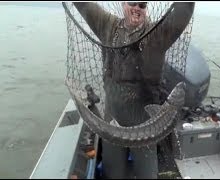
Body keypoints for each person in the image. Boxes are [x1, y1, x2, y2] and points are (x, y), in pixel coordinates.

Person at [73, 1, 194, 179]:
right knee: (113, 172)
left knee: (148, 175)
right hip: (112, 119)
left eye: (142, 4)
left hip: (145, 125)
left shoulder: (158, 34)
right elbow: (84, 5)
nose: (137, 7)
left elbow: (184, 12)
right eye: (132, 2)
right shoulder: (107, 24)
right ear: (123, 4)